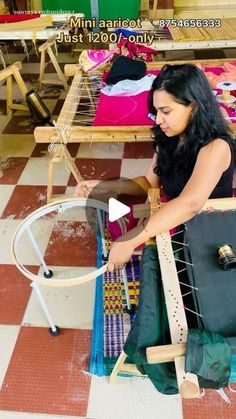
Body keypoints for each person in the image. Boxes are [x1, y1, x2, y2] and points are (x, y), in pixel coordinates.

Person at [74, 64, 235, 272]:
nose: (159, 120)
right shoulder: (169, 138)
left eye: (166, 111)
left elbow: (190, 204)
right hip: (176, 211)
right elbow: (149, 182)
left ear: (194, 107)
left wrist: (132, 239)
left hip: (207, 222)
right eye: (156, 111)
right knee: (118, 214)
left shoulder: (215, 147)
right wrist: (106, 186)